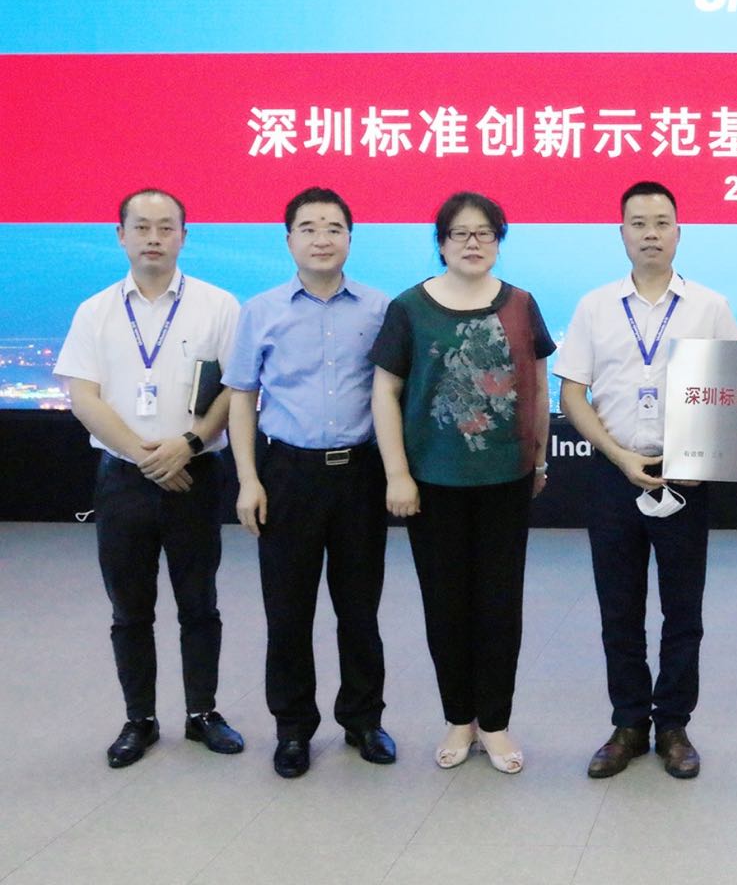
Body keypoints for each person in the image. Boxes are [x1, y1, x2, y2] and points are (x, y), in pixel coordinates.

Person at [556, 181, 737, 780]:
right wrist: (616, 455)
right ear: (622, 234)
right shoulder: (594, 306)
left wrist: (703, 457)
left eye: (662, 222)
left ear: (679, 232)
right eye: (639, 223)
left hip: (684, 477)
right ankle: (629, 724)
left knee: (683, 611)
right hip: (614, 474)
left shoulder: (710, 306)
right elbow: (572, 393)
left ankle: (674, 726)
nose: (651, 233)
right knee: (620, 608)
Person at [54, 188, 244, 768]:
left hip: (195, 473)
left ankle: (202, 713)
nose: (154, 238)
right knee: (129, 609)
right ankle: (139, 719)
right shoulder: (95, 311)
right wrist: (145, 457)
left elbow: (237, 388)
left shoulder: (218, 306)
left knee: (199, 604)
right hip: (123, 479)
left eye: (166, 227)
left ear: (185, 235)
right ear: (121, 235)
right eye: (142, 227)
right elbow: (83, 396)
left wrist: (188, 445)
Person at [370, 191, 554, 775]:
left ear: (499, 240)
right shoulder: (409, 307)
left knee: (500, 605)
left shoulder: (521, 304)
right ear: (441, 242)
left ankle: (494, 723)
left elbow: (539, 384)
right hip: (433, 483)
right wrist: (398, 473)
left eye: (485, 233)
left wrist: (539, 460)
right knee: (446, 604)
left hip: (506, 479)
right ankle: (458, 718)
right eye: (460, 233)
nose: (473, 243)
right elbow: (385, 392)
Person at [223, 187, 393, 779]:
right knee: (288, 612)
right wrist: (248, 479)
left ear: (351, 237)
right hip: (287, 474)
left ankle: (364, 720)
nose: (322, 238)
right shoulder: (260, 310)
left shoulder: (379, 308)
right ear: (289, 239)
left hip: (360, 474)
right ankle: (293, 729)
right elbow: (242, 398)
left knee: (360, 610)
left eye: (334, 228)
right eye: (309, 228)